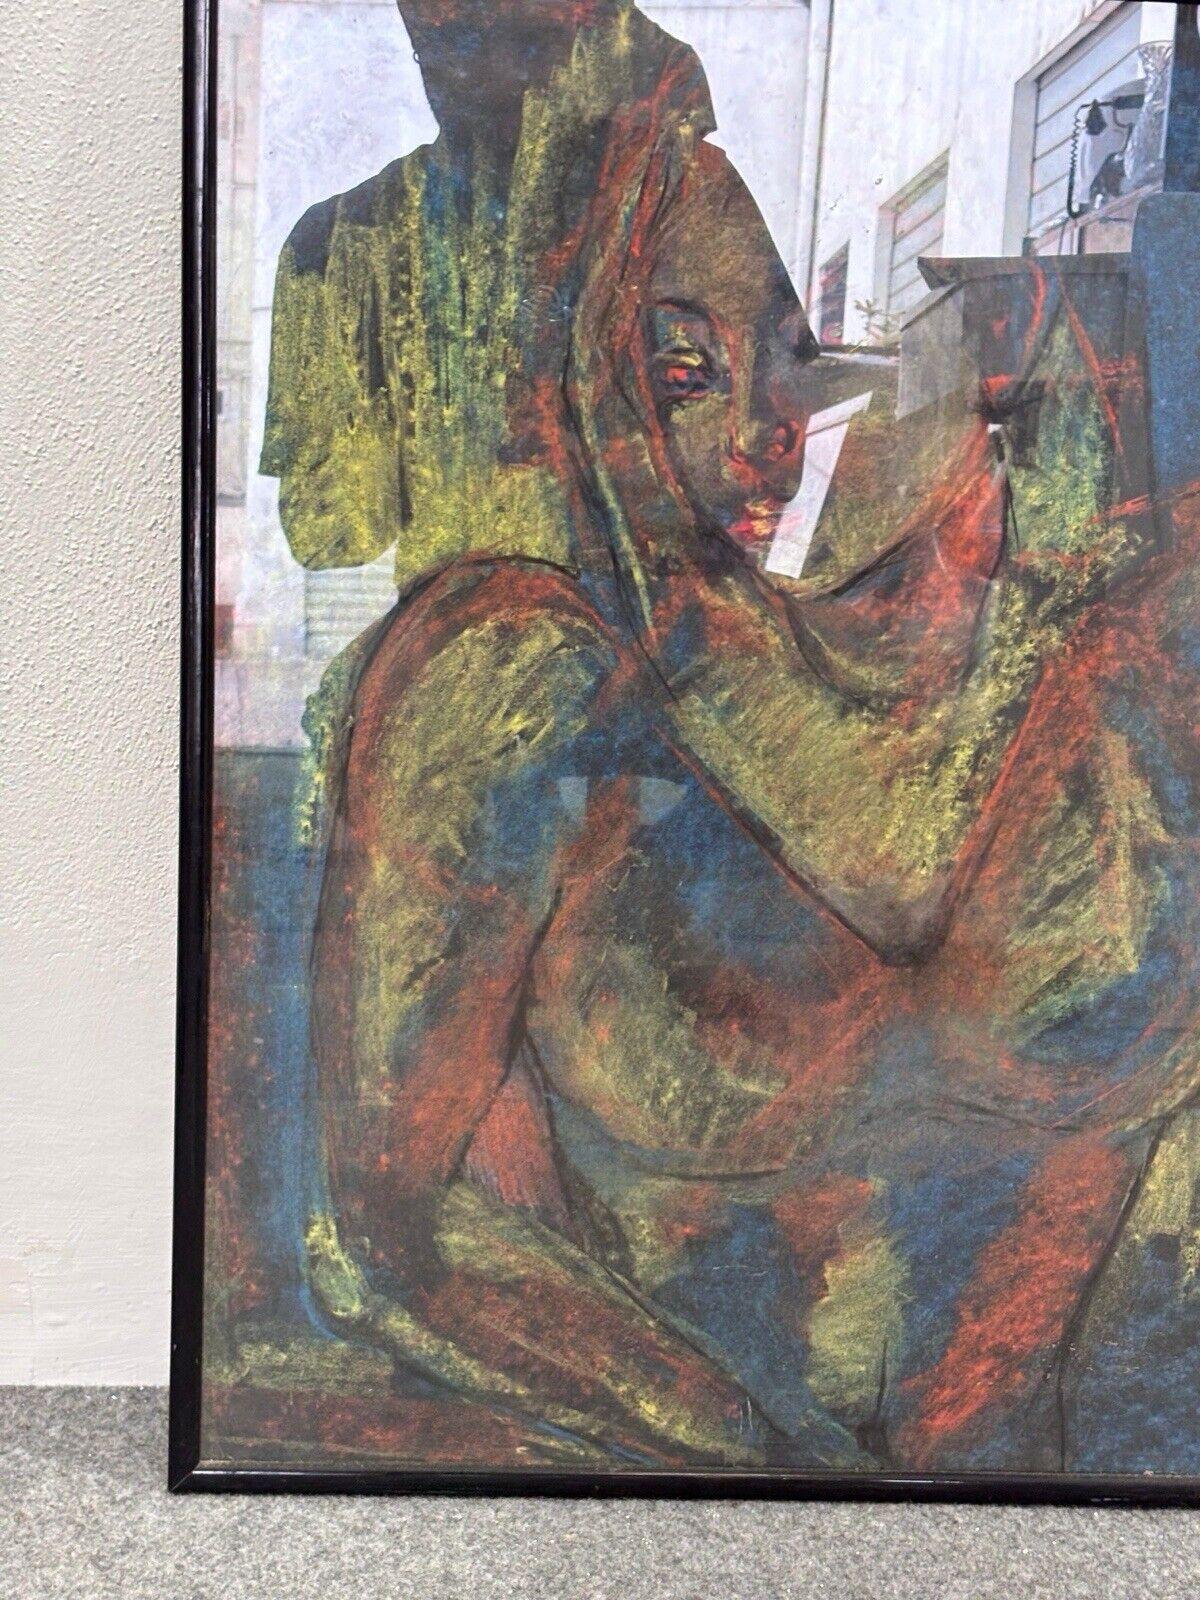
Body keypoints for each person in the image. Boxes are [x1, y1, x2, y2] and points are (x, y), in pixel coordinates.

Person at [262, 0, 1200, 1472]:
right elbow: (390, 1231)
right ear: (570, 385)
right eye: (683, 368)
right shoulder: (504, 689)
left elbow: (1091, 1188)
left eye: (792, 356)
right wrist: (756, 1466)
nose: (772, 430)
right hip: (675, 1472)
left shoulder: (1067, 673)